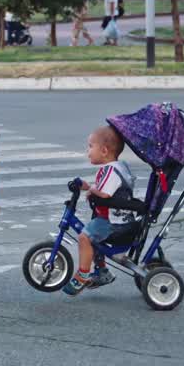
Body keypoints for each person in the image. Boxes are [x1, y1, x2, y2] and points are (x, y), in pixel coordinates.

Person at [62, 125, 134, 295]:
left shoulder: (110, 170)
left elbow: (106, 194)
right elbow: (104, 188)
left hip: (114, 223)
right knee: (94, 236)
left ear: (104, 150)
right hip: (116, 219)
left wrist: (92, 191)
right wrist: (88, 187)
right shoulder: (116, 167)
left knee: (85, 237)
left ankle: (83, 275)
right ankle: (102, 271)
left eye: (90, 146)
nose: (88, 151)